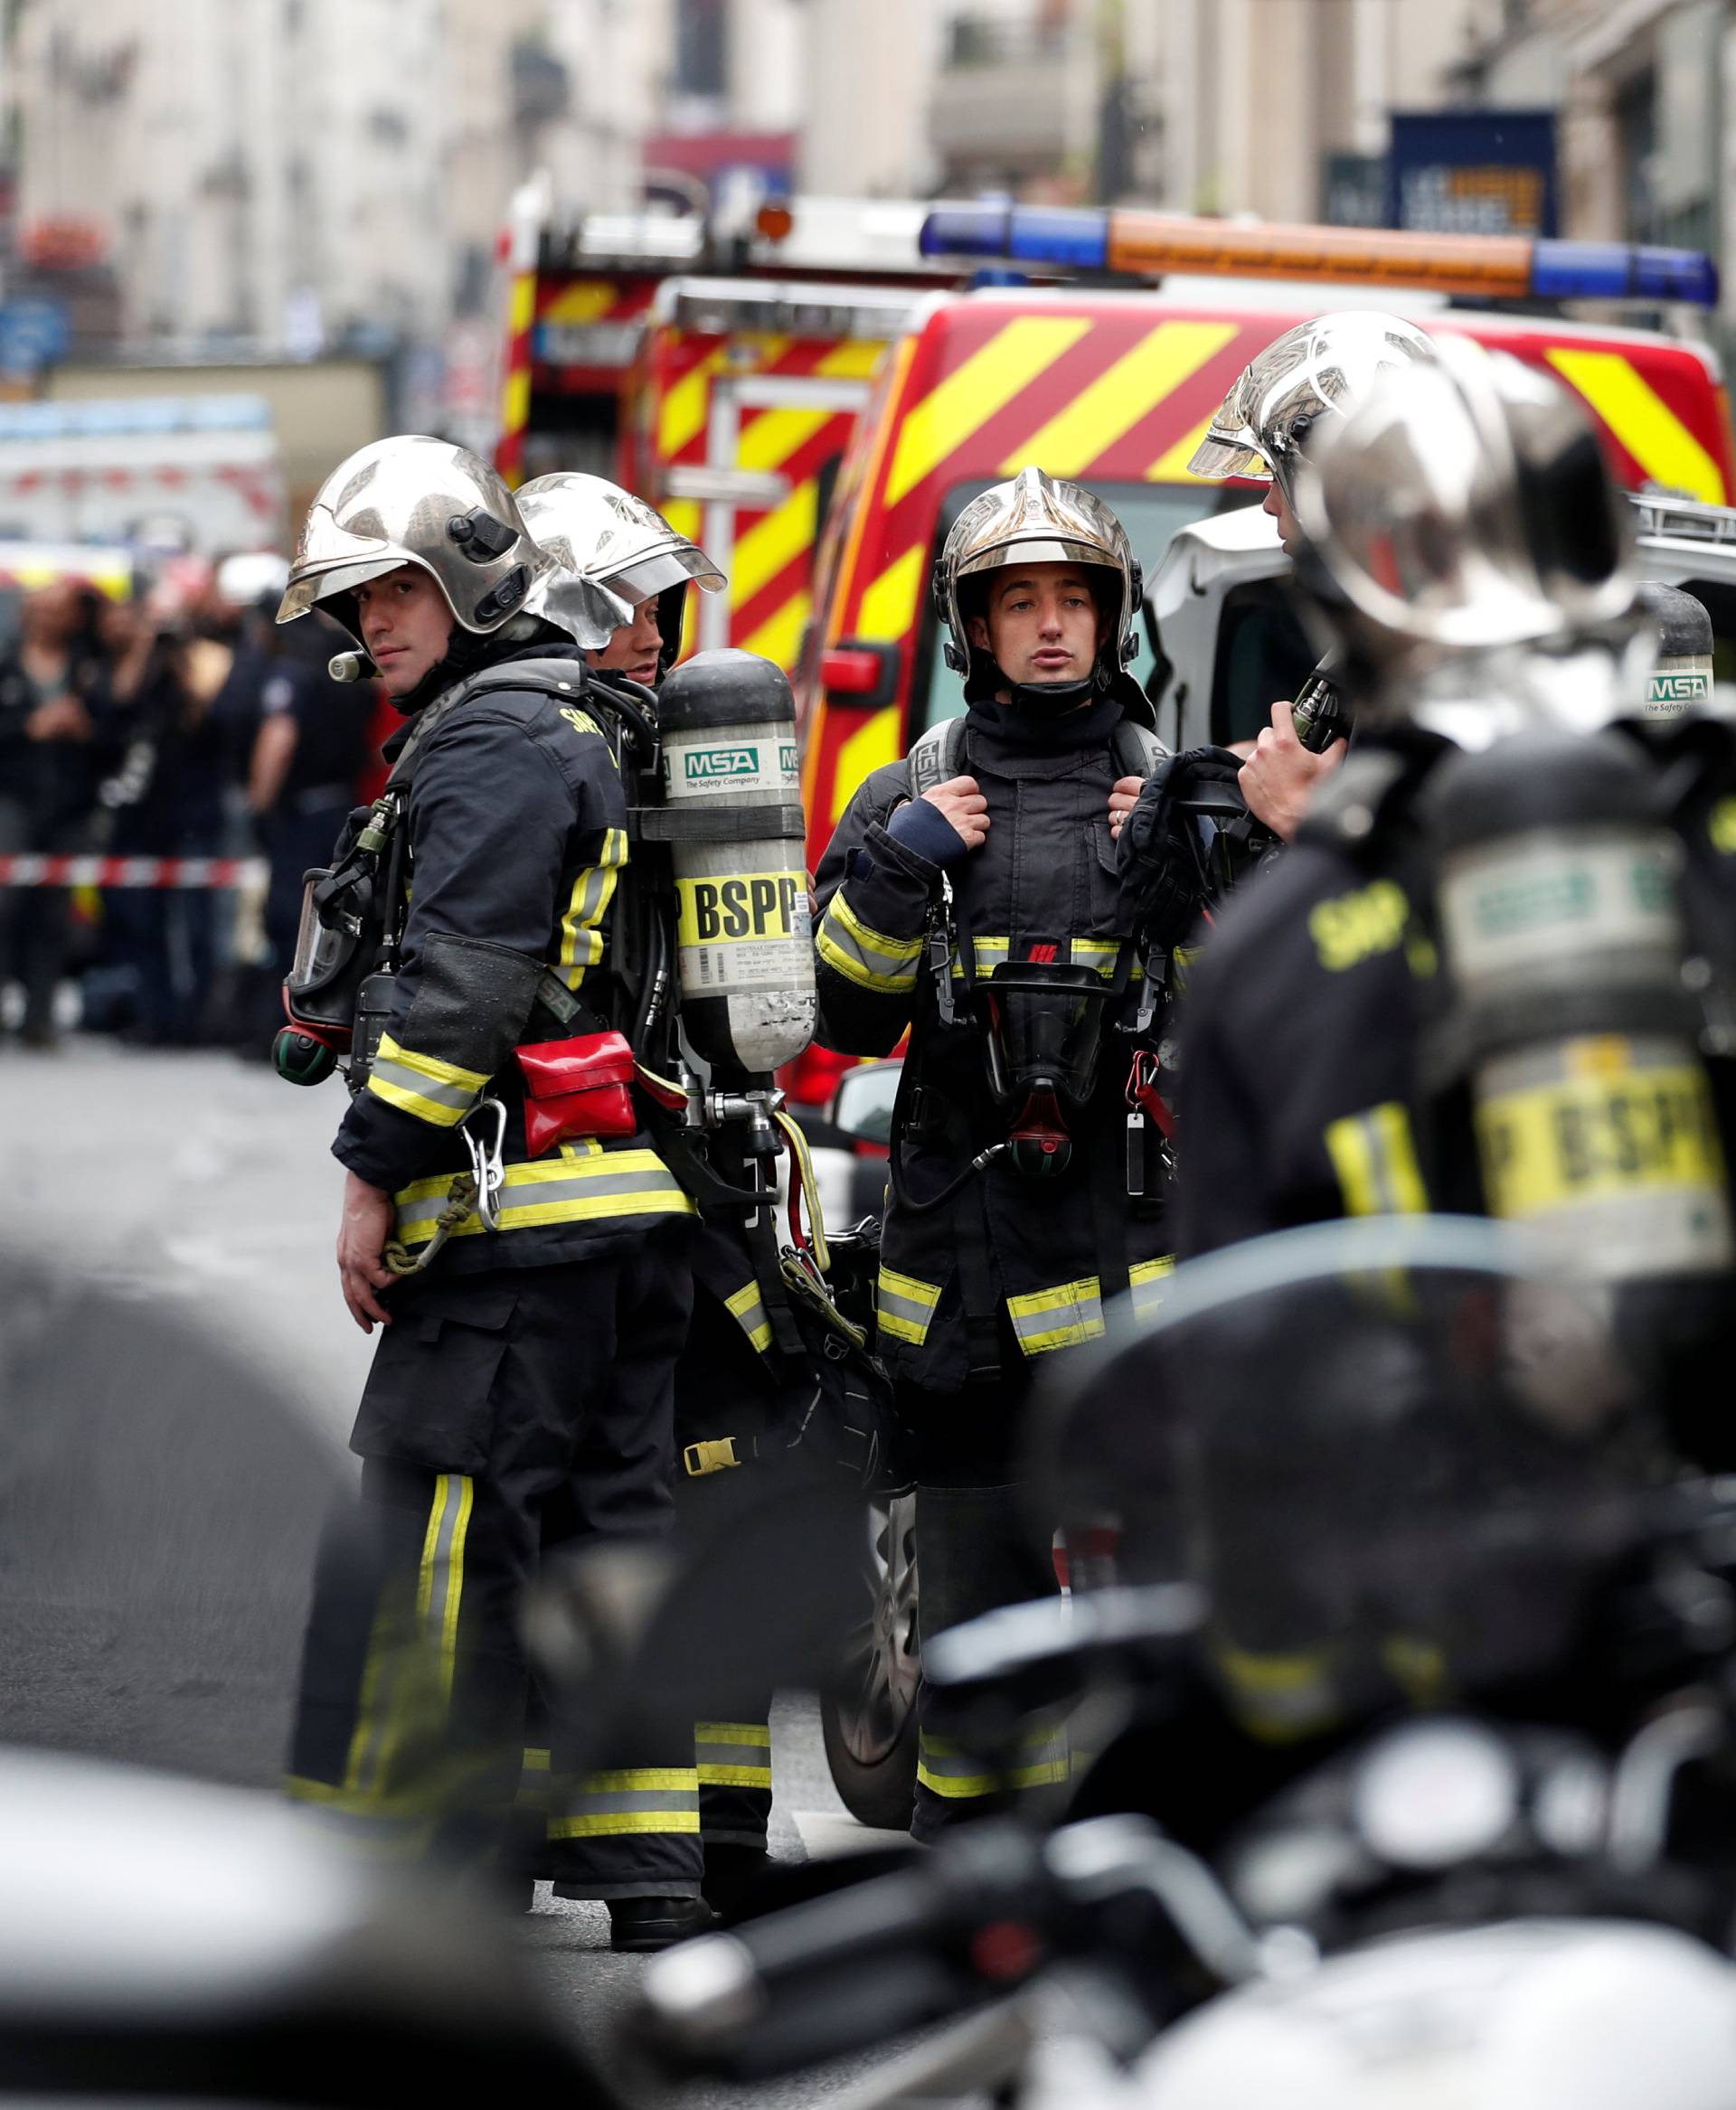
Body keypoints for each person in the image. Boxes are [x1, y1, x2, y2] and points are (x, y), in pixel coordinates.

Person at [277, 436, 710, 1952]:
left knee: (446, 1532)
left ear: (465, 577)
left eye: (396, 586)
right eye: (357, 598)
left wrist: (367, 1173)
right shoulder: (561, 721)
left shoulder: (489, 744)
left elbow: (461, 988)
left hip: (516, 1221)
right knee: (602, 1538)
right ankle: (650, 1874)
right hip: (612, 1217)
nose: (374, 620)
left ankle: (430, 1870)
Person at [811, 466, 1184, 1841]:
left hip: (1123, 1257)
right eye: (1016, 600)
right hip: (960, 1278)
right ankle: (976, 1862)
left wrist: (1185, 867)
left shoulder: (1164, 792)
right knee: (972, 1595)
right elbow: (842, 1013)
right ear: (970, 626)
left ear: (1113, 616)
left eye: (1071, 599)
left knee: (1158, 1584)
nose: (1046, 626)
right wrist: (902, 866)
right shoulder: (911, 791)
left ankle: (1135, 1845)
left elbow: (1247, 1001)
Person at [1184, 311, 1438, 842]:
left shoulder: (1432, 673)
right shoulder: (1404, 650)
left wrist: (1300, 817)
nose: (1270, 504)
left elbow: (1430, 897)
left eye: (1280, 478)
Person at [0, 579, 110, 1047]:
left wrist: (85, 728)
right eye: (41, 610)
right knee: (5, 906)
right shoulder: (7, 663)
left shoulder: (89, 669)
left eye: (59, 610)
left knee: (54, 914)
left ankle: (39, 1016)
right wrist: (31, 726)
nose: (49, 619)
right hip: (13, 800)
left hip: (68, 806)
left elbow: (116, 732)